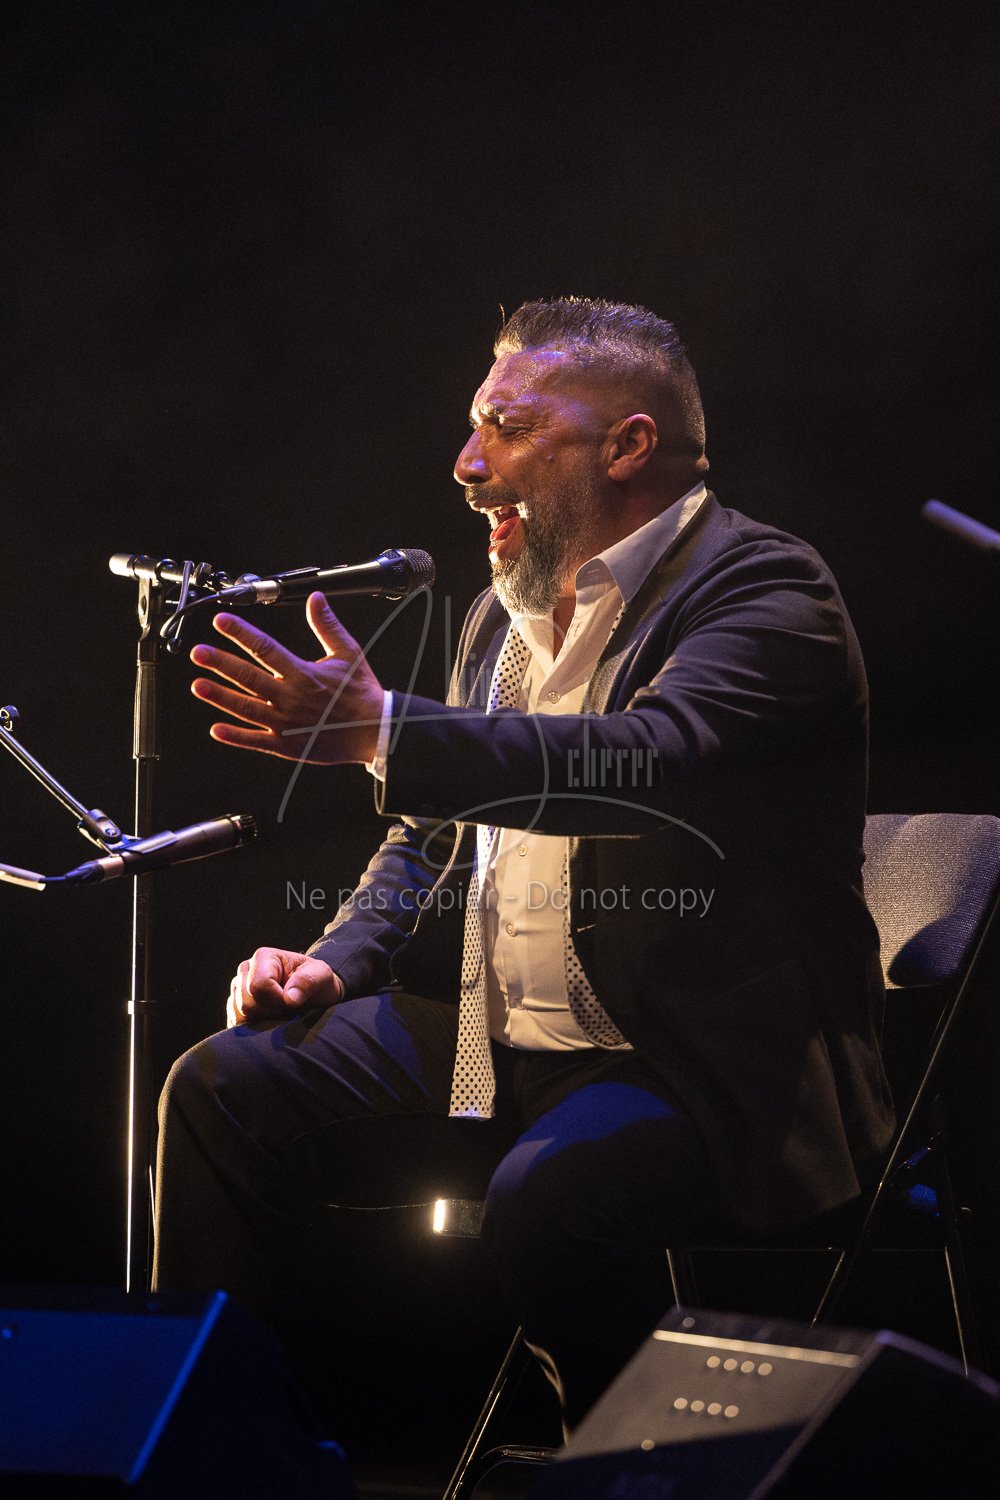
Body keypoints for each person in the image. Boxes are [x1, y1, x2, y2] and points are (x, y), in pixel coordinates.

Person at [153, 297, 894, 1431]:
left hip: (696, 1062)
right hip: (495, 1042)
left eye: (507, 428)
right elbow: (429, 833)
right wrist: (336, 962)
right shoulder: (501, 619)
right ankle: (214, 1450)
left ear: (628, 445)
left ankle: (638, 1473)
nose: (466, 463)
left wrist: (385, 732)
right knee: (223, 1088)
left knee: (554, 1205)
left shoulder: (767, 590)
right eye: (473, 426)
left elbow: (650, 762)